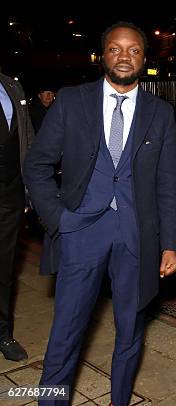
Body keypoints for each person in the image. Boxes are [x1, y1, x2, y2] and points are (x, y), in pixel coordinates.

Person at [23, 22, 176, 406]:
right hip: (80, 233)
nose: (124, 56)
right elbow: (37, 166)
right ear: (102, 55)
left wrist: (171, 245)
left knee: (130, 330)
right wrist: (59, 219)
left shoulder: (160, 112)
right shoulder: (73, 101)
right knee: (66, 331)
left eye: (133, 50)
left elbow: (168, 183)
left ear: (144, 59)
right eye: (115, 49)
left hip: (137, 236)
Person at [0, 72, 34, 362]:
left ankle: (2, 334)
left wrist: (29, 190)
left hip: (10, 196)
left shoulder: (12, 86)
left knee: (4, 268)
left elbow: (27, 140)